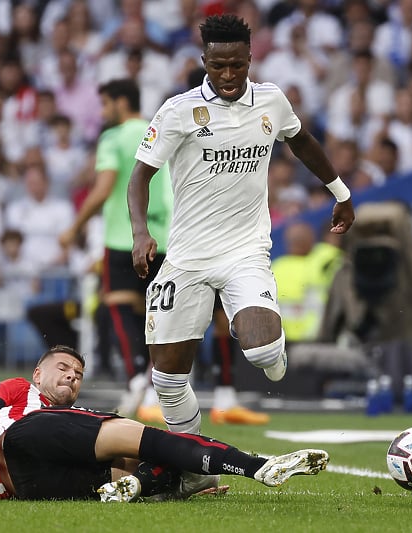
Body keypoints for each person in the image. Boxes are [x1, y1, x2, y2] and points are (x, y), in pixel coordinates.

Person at [126, 13, 354, 487]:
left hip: (245, 251)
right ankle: (193, 472)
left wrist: (340, 192)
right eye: (218, 66)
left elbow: (303, 142)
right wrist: (140, 233)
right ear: (204, 61)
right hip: (185, 256)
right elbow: (140, 176)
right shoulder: (178, 111)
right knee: (167, 379)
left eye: (236, 65)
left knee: (264, 355)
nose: (228, 76)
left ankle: (275, 352)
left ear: (250, 59)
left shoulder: (271, 100)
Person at [0, 344, 330, 502]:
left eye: (79, 374)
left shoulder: (74, 416)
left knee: (151, 466)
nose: (72, 376)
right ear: (38, 374)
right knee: (147, 439)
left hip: (34, 489)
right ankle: (258, 466)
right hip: (24, 442)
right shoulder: (19, 390)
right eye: (63, 368)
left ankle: (153, 485)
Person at [59, 79, 173, 418]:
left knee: (120, 307)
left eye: (106, 104)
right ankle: (157, 385)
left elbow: (104, 187)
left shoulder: (113, 138)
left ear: (122, 103)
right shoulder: (160, 130)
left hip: (125, 237)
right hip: (164, 237)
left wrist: (75, 227)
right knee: (156, 315)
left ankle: (138, 376)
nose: (103, 111)